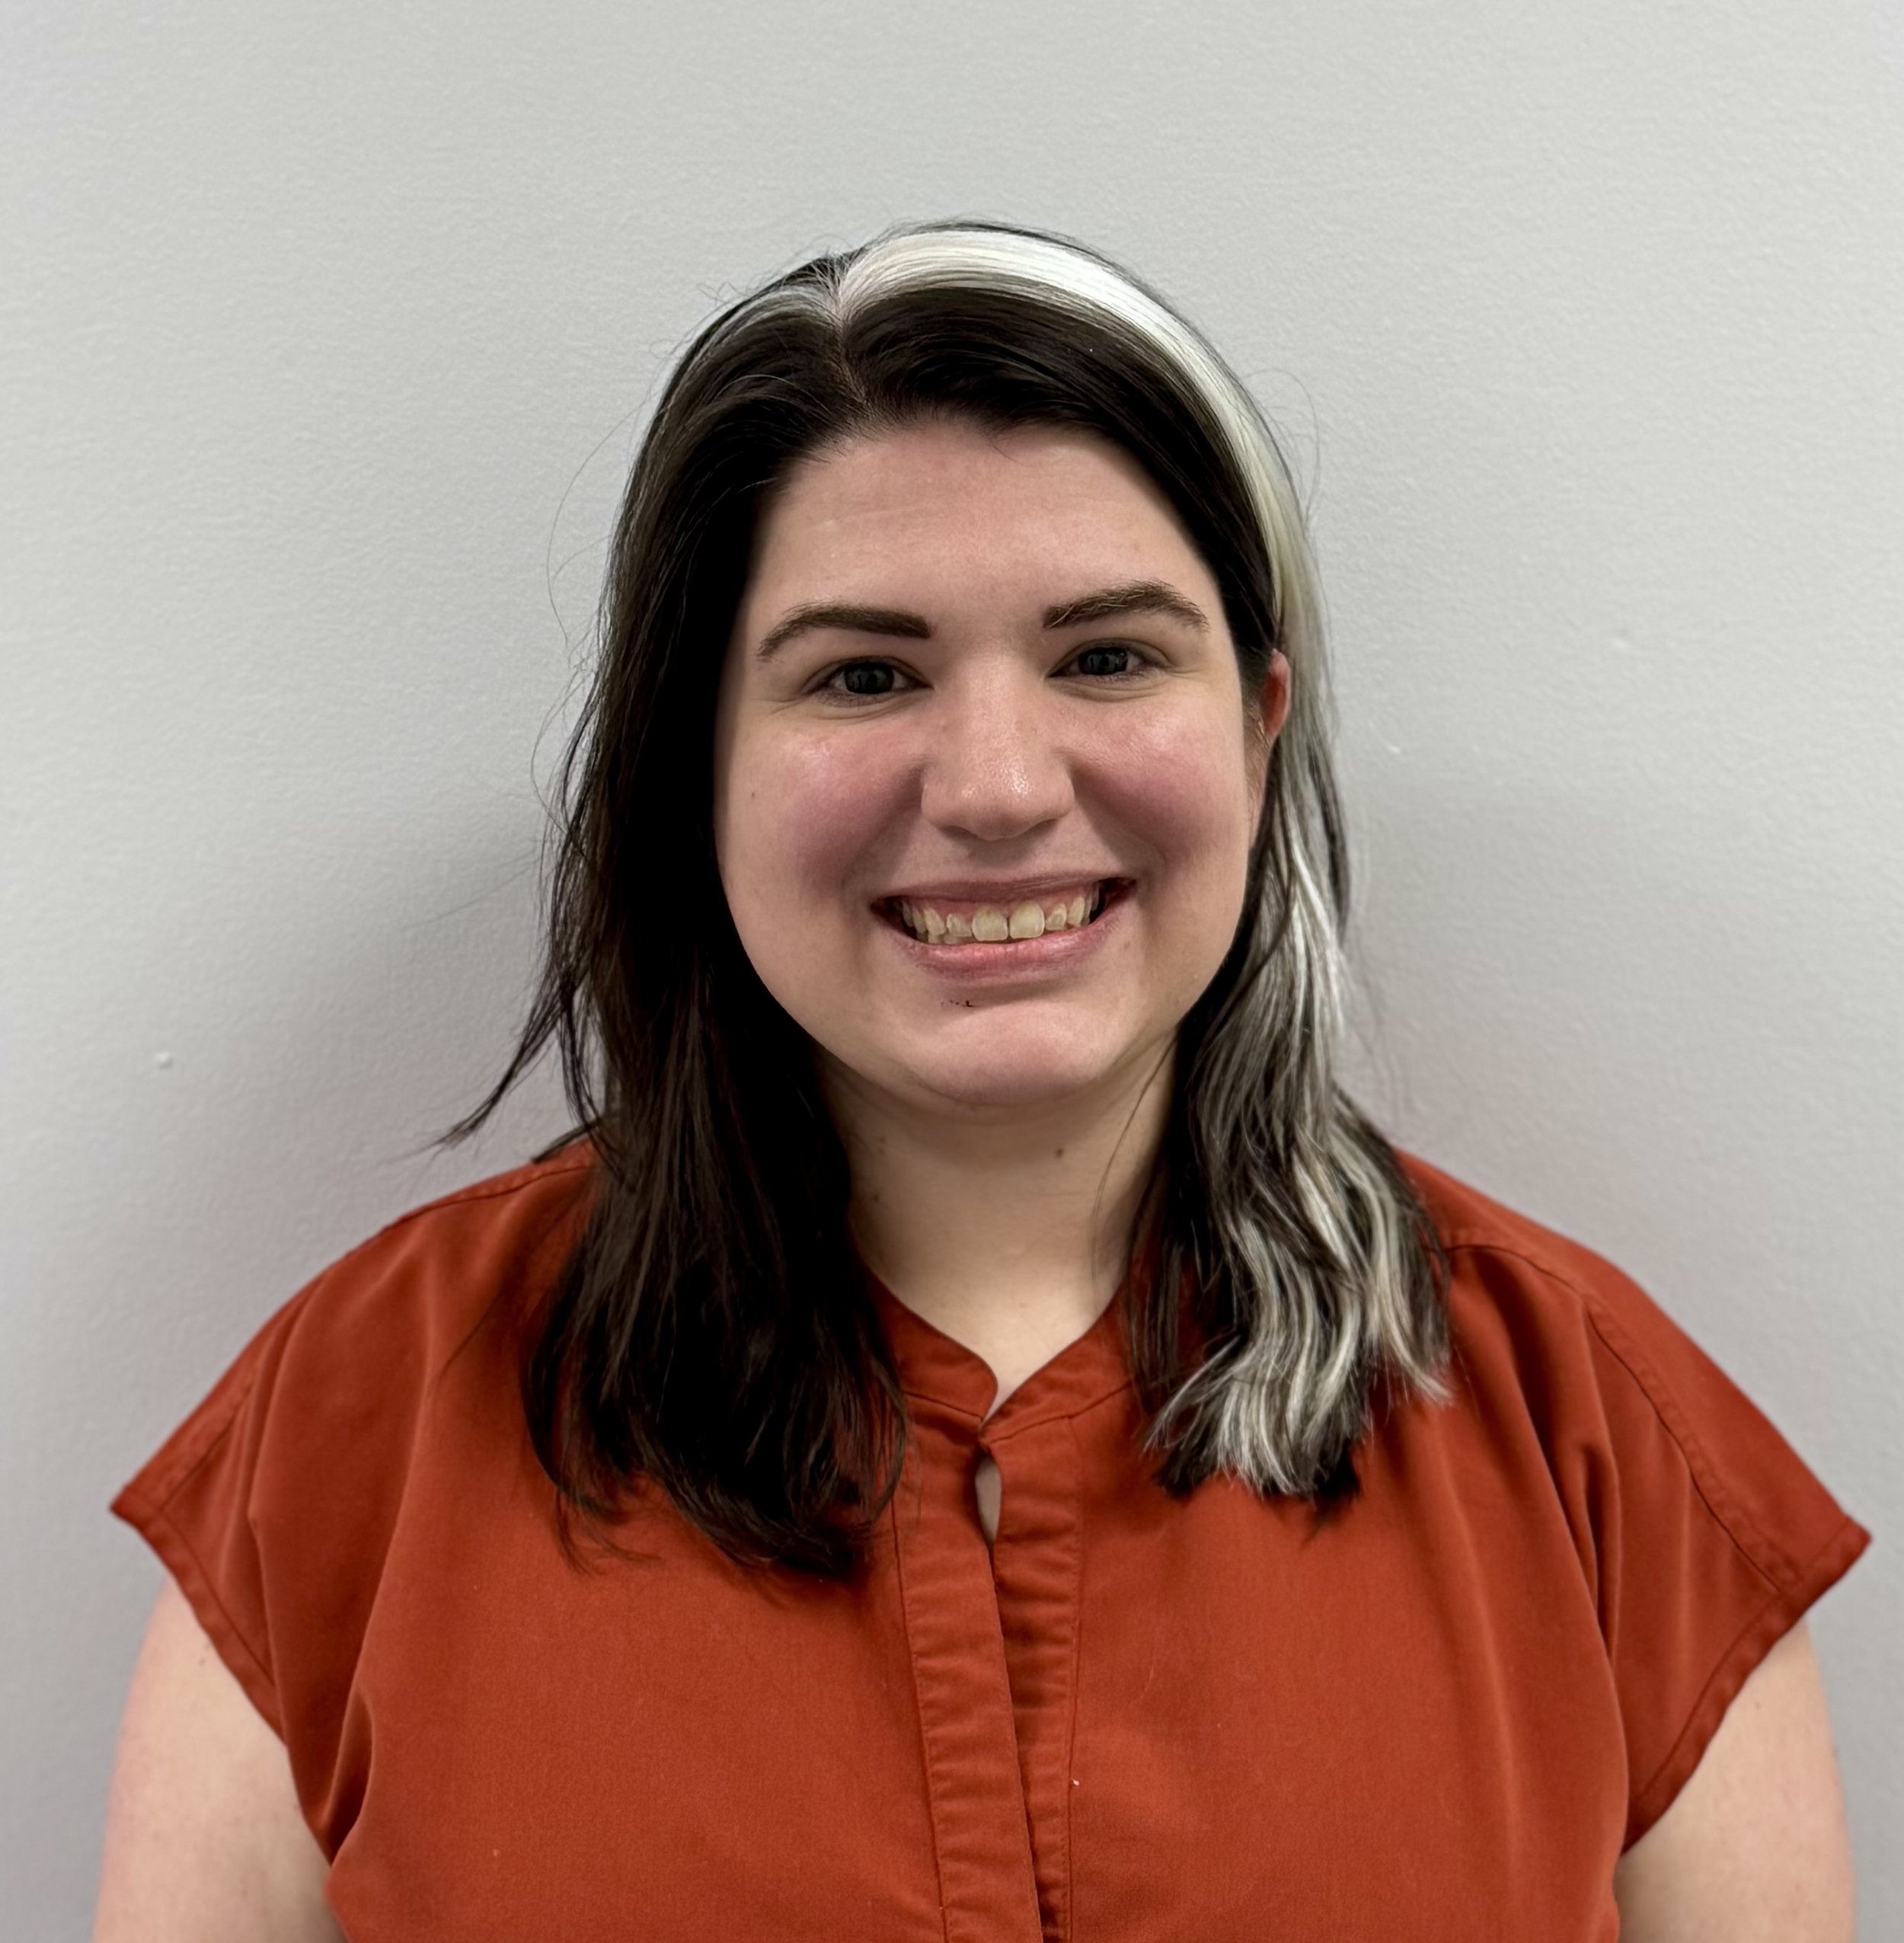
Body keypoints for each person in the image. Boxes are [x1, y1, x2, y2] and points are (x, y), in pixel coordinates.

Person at [94, 219, 1870, 1941]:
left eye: (1107, 656)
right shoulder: (354, 1444)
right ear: (694, 762)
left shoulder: (1597, 1449)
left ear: (1256, 722)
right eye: (863, 673)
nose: (999, 785)